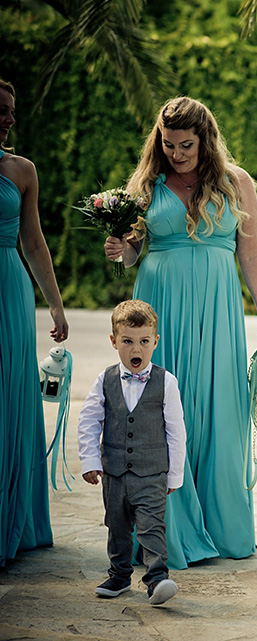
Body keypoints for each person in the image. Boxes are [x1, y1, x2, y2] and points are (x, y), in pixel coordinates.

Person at [103, 96, 257, 568]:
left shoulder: (235, 182)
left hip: (217, 310)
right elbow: (133, 254)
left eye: (185, 145)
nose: (176, 153)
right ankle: (165, 529)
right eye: (168, 144)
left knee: (218, 408)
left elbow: (252, 254)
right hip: (162, 306)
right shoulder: (145, 185)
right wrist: (120, 248)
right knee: (161, 412)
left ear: (206, 140)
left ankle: (221, 526)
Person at [0, 77, 69, 568]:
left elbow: (34, 242)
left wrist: (57, 306)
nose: (8, 119)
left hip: (8, 288)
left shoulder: (21, 170)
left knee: (9, 393)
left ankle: (11, 515)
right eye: (0, 109)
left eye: (11, 110)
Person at [77, 300, 185, 605]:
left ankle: (157, 580)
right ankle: (120, 575)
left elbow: (176, 430)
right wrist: (90, 460)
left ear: (155, 341)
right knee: (117, 526)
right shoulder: (105, 379)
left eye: (143, 342)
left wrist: (174, 473)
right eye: (127, 342)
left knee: (152, 527)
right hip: (114, 473)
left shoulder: (167, 382)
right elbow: (89, 420)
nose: (135, 350)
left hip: (152, 473)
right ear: (114, 341)